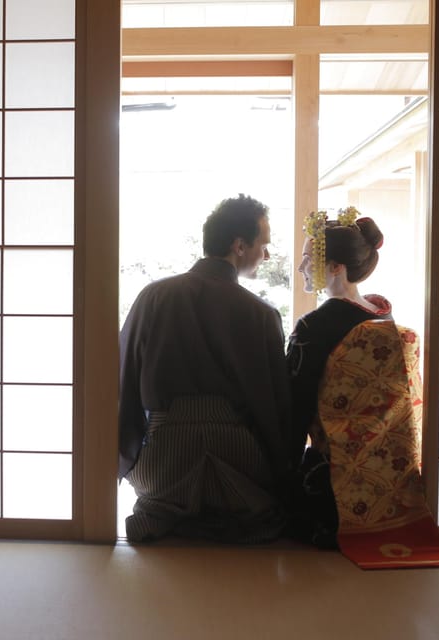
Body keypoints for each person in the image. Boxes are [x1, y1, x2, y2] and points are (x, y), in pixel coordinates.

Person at [118, 194, 293, 544]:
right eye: (264, 244)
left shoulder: (152, 298)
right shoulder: (260, 314)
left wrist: (126, 454)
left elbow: (123, 382)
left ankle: (164, 514)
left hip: (163, 454)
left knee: (160, 496)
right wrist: (285, 474)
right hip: (238, 454)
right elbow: (275, 408)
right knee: (261, 513)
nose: (267, 255)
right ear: (239, 246)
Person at [285, 208, 391, 548]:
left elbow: (295, 407)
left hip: (328, 476)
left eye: (307, 259)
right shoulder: (384, 317)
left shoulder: (314, 328)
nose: (301, 267)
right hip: (381, 471)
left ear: (335, 268)